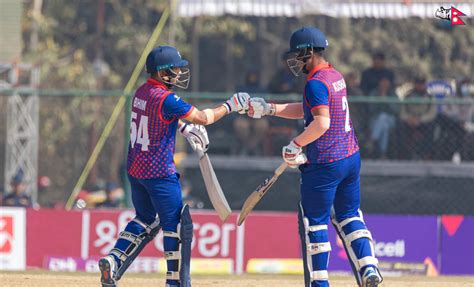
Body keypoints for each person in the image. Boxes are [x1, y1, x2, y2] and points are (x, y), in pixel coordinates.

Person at [98, 46, 250, 287]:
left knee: (145, 218)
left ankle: (114, 259)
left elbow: (158, 116)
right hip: (159, 172)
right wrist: (231, 105)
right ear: (161, 72)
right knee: (176, 226)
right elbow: (203, 118)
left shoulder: (142, 92)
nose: (179, 73)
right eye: (175, 69)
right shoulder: (167, 98)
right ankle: (174, 282)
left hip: (136, 169)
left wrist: (182, 127)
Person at [248, 27, 382, 287]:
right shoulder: (334, 75)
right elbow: (309, 110)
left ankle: (320, 283)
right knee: (349, 215)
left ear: (309, 52)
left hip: (325, 163)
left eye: (298, 55)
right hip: (350, 158)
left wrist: (295, 144)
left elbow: (320, 123)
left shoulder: (314, 83)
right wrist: (270, 109)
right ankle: (369, 267)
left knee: (315, 223)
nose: (295, 61)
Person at [399, 76, 436, 159]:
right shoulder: (407, 96)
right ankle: (404, 154)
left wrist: (420, 119)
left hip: (424, 121)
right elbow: (402, 112)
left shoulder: (430, 97)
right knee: (400, 126)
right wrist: (409, 119)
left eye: (422, 84)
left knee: (431, 127)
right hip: (410, 121)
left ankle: (426, 154)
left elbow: (432, 114)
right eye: (418, 84)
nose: (419, 86)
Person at [367, 77, 399, 158]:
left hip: (391, 120)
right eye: (382, 82)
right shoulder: (374, 93)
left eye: (386, 83)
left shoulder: (392, 94)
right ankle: (383, 153)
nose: (384, 85)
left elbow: (396, 110)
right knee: (384, 126)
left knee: (383, 117)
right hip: (375, 120)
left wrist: (386, 100)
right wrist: (379, 100)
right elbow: (370, 109)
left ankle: (372, 139)